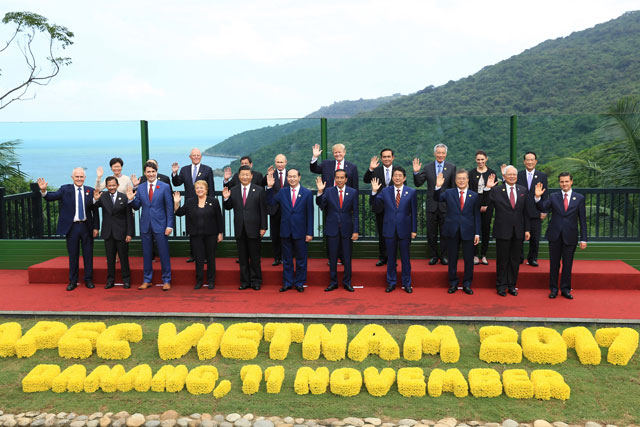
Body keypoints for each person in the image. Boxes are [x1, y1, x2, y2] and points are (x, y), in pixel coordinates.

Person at [37, 168, 99, 291]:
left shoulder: (90, 191)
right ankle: (73, 281)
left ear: (85, 177)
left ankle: (88, 279)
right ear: (72, 177)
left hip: (87, 226)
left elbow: (95, 210)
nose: (79, 179)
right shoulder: (65, 189)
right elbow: (51, 197)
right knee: (73, 255)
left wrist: (96, 227)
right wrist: (44, 191)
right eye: (77, 177)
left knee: (88, 254)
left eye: (81, 176)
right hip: (72, 227)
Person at [534, 173, 588, 299]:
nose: (564, 184)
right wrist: (537, 197)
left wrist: (584, 239)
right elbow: (542, 207)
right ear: (559, 183)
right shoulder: (553, 197)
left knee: (567, 264)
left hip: (571, 236)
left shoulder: (579, 198)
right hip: (555, 236)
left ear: (571, 182)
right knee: (554, 264)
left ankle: (565, 289)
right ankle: (553, 289)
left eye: (566, 181)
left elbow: (583, 220)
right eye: (562, 182)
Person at [126, 161, 174, 291]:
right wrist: (131, 199)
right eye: (148, 172)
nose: (151, 174)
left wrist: (170, 225)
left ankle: (166, 280)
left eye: (153, 171)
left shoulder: (164, 186)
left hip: (161, 225)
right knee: (146, 254)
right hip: (145, 225)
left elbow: (169, 208)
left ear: (156, 171)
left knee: (163, 253)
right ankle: (147, 280)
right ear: (145, 173)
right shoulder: (140, 187)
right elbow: (137, 206)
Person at [483, 167, 531, 297]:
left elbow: (526, 212)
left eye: (514, 174)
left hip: (518, 231)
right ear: (504, 176)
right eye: (509, 174)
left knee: (515, 260)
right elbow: (484, 204)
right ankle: (501, 285)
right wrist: (487, 189)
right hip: (502, 230)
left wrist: (527, 229)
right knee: (502, 260)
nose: (512, 176)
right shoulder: (496, 190)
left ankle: (512, 285)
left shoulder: (523, 190)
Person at [370, 167, 417, 293]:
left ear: (404, 178)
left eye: (400, 175)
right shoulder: (385, 191)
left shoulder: (411, 192)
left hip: (405, 230)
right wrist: (374, 193)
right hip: (389, 229)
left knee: (405, 258)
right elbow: (376, 206)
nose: (397, 177)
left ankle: (407, 283)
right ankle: (391, 282)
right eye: (395, 175)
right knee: (391, 258)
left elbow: (414, 212)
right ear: (392, 178)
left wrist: (414, 230)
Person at [266, 168, 314, 292]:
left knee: (301, 260)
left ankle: (299, 283)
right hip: (285, 230)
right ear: (287, 178)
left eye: (294, 176)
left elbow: (310, 214)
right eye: (289, 177)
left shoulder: (307, 193)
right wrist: (270, 188)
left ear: (299, 177)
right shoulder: (282, 192)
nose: (292, 179)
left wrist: (310, 232)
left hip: (301, 232)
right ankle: (287, 283)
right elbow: (271, 202)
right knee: (286, 259)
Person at [434, 169, 481, 295]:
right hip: (452, 230)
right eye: (459, 178)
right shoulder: (449, 193)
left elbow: (477, 215)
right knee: (452, 259)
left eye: (464, 178)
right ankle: (453, 283)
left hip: (469, 231)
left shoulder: (474, 195)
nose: (461, 181)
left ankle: (467, 284)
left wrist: (477, 233)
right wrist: (438, 186)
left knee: (469, 259)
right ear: (455, 181)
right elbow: (437, 198)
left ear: (467, 180)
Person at [222, 165, 268, 290]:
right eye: (242, 175)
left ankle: (256, 281)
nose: (245, 177)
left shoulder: (259, 190)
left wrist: (264, 227)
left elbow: (263, 211)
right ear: (238, 176)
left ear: (251, 176)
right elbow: (228, 207)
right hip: (240, 228)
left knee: (255, 257)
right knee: (242, 258)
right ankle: (245, 282)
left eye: (247, 175)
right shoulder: (234, 190)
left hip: (255, 228)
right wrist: (226, 198)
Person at [173, 180, 224, 290]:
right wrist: (176, 202)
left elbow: (219, 218)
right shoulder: (190, 202)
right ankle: (199, 281)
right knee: (199, 259)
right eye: (197, 188)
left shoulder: (214, 201)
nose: (199, 190)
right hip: (196, 235)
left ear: (206, 190)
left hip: (211, 234)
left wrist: (220, 233)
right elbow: (179, 213)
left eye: (202, 188)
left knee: (211, 258)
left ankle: (211, 281)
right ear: (195, 190)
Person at [413, 144, 456, 265]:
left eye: (443, 153)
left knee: (445, 232)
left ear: (446, 154)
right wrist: (416, 173)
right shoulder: (427, 168)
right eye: (438, 152)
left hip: (445, 206)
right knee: (431, 233)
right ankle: (433, 255)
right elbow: (418, 183)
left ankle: (444, 256)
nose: (440, 155)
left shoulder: (451, 167)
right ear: (434, 153)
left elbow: (453, 188)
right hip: (431, 205)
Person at [316, 170, 359, 292]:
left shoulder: (353, 192)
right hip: (332, 228)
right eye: (337, 178)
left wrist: (355, 231)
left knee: (347, 257)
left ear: (346, 179)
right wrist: (319, 192)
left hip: (347, 229)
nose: (339, 180)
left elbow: (355, 213)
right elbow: (322, 206)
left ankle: (347, 282)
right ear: (334, 179)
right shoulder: (329, 191)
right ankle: (333, 282)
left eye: (342, 178)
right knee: (333, 258)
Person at [171, 148, 216, 263]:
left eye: (198, 155)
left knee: (205, 229)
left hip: (204, 204)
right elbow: (177, 183)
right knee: (192, 229)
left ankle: (205, 256)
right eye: (194, 155)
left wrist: (210, 204)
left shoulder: (207, 169)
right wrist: (175, 173)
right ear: (190, 157)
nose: (196, 157)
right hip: (190, 205)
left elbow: (211, 188)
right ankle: (194, 255)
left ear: (201, 157)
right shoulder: (185, 170)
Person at [93, 176, 134, 289]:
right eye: (109, 186)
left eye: (113, 185)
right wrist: (95, 199)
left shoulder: (124, 197)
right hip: (108, 233)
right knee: (110, 259)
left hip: (122, 233)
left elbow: (129, 217)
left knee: (123, 258)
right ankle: (110, 281)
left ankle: (126, 280)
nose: (111, 187)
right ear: (106, 186)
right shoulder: (103, 197)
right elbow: (94, 206)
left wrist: (129, 233)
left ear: (118, 185)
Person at [363, 148, 396, 266]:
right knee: (382, 234)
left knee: (393, 234)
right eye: (384, 157)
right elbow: (366, 180)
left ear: (393, 158)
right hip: (380, 206)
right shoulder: (376, 171)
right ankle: (383, 257)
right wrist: (370, 168)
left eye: (389, 156)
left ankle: (392, 258)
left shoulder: (398, 171)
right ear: (381, 158)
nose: (386, 159)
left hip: (394, 208)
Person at [517, 151, 548, 266]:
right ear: (524, 161)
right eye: (527, 160)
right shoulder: (518, 175)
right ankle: (519, 257)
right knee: (519, 236)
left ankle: (532, 258)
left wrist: (544, 210)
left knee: (535, 237)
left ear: (536, 161)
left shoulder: (542, 176)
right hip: (520, 210)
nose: (530, 162)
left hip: (536, 210)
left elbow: (545, 194)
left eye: (532, 160)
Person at [468, 150, 495, 266]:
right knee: (474, 229)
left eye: (482, 159)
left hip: (488, 205)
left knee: (485, 229)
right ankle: (475, 254)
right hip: (474, 204)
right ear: (475, 160)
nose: (480, 162)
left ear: (486, 159)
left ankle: (483, 254)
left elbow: (493, 191)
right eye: (478, 160)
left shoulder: (492, 173)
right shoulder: (471, 173)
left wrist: (486, 204)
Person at [263, 154, 288, 266]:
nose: (280, 164)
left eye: (282, 162)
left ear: (286, 162)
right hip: (275, 209)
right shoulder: (271, 174)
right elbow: (264, 184)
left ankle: (287, 256)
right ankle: (277, 258)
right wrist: (268, 175)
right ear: (275, 163)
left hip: (288, 209)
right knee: (275, 235)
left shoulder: (291, 174)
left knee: (287, 234)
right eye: (278, 162)